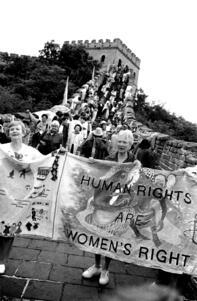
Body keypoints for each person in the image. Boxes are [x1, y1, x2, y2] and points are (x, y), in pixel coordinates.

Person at [82, 130, 135, 285]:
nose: (121, 144)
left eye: (125, 142)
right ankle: (96, 265)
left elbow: (138, 183)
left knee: (112, 237)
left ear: (130, 144)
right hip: (104, 202)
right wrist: (92, 164)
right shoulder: (108, 159)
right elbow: (101, 178)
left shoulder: (134, 162)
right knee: (98, 235)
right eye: (119, 141)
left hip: (120, 204)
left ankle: (106, 269)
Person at [0, 120, 44, 275]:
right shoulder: (1, 148)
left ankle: (2, 260)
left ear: (24, 131)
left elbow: (45, 163)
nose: (14, 131)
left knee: (9, 228)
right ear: (7, 132)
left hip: (18, 197)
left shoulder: (31, 152)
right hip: (2, 193)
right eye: (11, 129)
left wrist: (60, 155)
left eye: (17, 128)